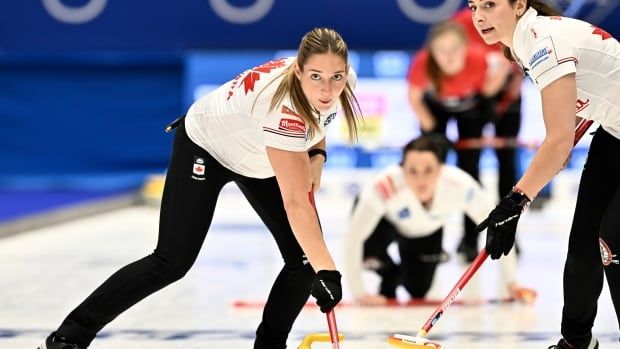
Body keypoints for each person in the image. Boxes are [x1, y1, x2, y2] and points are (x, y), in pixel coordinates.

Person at [39, 27, 362, 349]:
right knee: (171, 261)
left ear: (345, 72)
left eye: (336, 77)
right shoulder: (283, 109)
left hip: (257, 152)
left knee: (304, 259)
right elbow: (295, 202)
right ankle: (69, 337)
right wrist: (330, 272)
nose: (327, 88)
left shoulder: (342, 84)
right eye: (316, 76)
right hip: (207, 145)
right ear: (298, 70)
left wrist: (317, 155)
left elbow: (320, 118)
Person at [467, 0, 620, 348]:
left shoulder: (542, 43)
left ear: (519, 4)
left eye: (490, 5)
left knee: (610, 241)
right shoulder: (525, 43)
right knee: (584, 242)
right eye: (474, 6)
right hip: (616, 130)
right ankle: (575, 342)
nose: (479, 16)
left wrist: (514, 201)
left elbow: (558, 144)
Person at [343, 135, 535, 306]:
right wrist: (359, 293)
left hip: (426, 233)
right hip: (386, 227)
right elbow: (354, 237)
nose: (421, 180)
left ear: (441, 168)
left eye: (428, 170)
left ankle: (399, 275)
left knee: (418, 289)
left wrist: (511, 283)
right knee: (369, 247)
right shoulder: (385, 186)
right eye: (412, 171)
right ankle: (388, 273)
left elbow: (500, 227)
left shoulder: (459, 185)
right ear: (401, 169)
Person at [407, 21, 515, 262]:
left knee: (469, 172)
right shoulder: (423, 63)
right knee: (430, 172)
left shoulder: (479, 59)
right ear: (432, 51)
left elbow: (504, 68)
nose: (448, 57)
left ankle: (469, 241)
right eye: (441, 50)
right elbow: (414, 97)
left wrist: (488, 96)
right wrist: (431, 128)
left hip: (470, 109)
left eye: (454, 49)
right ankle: (429, 240)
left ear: (465, 47)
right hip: (437, 110)